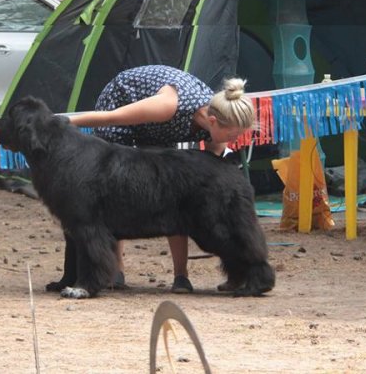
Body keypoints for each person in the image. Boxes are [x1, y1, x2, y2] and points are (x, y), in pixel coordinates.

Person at [68, 64, 255, 293]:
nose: (235, 141)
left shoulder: (218, 121)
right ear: (214, 122)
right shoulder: (168, 106)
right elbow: (110, 117)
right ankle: (114, 270)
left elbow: (204, 177)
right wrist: (66, 124)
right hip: (121, 110)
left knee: (178, 199)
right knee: (115, 193)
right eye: (233, 135)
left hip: (161, 130)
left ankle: (181, 276)